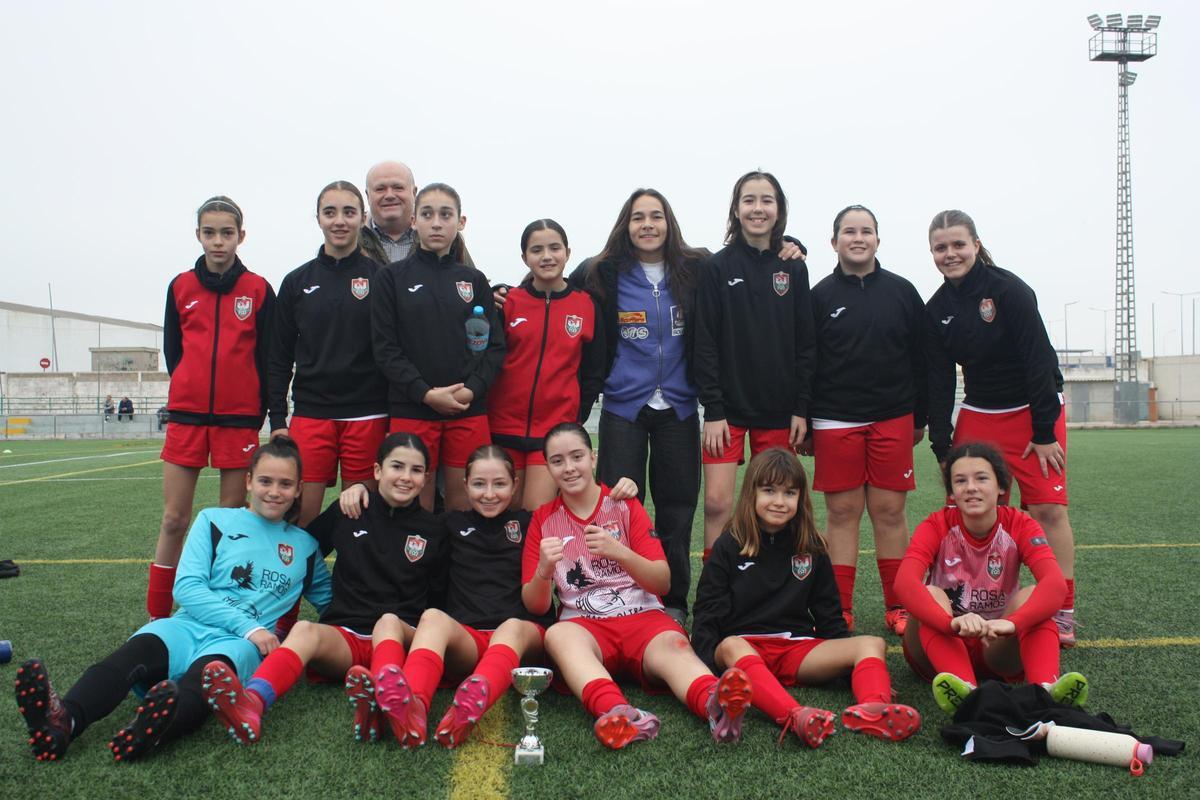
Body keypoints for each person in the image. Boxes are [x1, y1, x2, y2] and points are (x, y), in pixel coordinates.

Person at [14, 437, 331, 762]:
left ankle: (149, 733)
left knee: (203, 683)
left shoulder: (305, 548)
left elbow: (334, 608)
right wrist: (250, 627)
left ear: (299, 489)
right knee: (130, 656)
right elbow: (188, 588)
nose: (274, 491)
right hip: (188, 628)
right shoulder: (215, 520)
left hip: (239, 647)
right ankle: (63, 720)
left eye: (285, 484)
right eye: (265, 481)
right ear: (249, 481)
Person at [522, 423, 753, 750]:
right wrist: (544, 570)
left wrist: (619, 552)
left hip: (642, 618)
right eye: (557, 461)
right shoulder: (543, 519)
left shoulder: (623, 503)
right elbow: (535, 605)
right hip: (586, 626)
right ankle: (618, 712)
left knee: (674, 646)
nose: (569, 467)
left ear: (593, 457)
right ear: (548, 468)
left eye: (577, 456)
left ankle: (716, 706)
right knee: (559, 635)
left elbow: (662, 580)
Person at [202, 433, 444, 745]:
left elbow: (439, 595)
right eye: (397, 466)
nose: (406, 477)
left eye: (415, 470)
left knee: (388, 622)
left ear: (425, 478)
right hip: (346, 639)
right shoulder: (349, 511)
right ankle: (252, 702)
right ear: (377, 470)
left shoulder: (435, 529)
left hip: (402, 638)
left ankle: (386, 706)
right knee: (305, 629)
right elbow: (296, 553)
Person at [692, 448, 920, 748]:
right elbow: (708, 611)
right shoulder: (729, 545)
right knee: (732, 644)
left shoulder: (811, 547)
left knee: (870, 643)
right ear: (751, 494)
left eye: (789, 493)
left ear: (800, 499)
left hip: (795, 649)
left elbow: (828, 612)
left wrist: (843, 661)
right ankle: (795, 715)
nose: (779, 501)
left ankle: (874, 709)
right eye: (769, 491)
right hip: (743, 650)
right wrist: (709, 667)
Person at [924, 210, 1080, 647]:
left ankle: (1063, 612)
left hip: (1033, 413)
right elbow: (937, 378)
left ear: (975, 244)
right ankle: (972, 601)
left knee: (1048, 511)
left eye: (958, 244)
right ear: (932, 253)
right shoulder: (936, 309)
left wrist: (1045, 430)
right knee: (971, 513)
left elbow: (1039, 360)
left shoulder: (1008, 289)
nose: (950, 254)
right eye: (941, 247)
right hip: (979, 414)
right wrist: (942, 440)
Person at [147, 197, 275, 621]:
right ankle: (157, 616)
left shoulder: (257, 289)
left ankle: (221, 613)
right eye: (209, 232)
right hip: (187, 417)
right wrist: (189, 386)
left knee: (233, 527)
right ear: (198, 234)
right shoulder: (180, 286)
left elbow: (268, 358)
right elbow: (174, 351)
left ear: (241, 235)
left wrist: (263, 411)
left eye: (227, 232)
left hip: (238, 422)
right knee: (173, 519)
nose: (218, 241)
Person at [893, 441, 1089, 715]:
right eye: (960, 481)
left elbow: (1055, 587)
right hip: (939, 642)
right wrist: (951, 623)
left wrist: (1011, 624)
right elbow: (904, 584)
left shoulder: (1020, 524)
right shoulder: (936, 524)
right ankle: (967, 694)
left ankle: (1045, 691)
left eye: (981, 478)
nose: (970, 487)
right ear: (952, 493)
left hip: (997, 646)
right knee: (930, 594)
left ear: (1001, 487)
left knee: (1034, 595)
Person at [806, 205, 927, 636]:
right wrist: (803, 415)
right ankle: (839, 609)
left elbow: (923, 358)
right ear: (834, 240)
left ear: (878, 239)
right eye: (849, 231)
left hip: (893, 415)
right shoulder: (818, 295)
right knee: (841, 511)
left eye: (867, 231)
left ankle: (900, 605)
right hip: (835, 419)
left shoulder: (902, 292)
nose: (858, 238)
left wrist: (921, 416)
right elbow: (806, 361)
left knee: (890, 510)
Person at [693, 171, 815, 559]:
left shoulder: (794, 266)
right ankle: (716, 591)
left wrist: (801, 408)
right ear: (736, 208)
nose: (757, 208)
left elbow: (805, 342)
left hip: (779, 412)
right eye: (749, 200)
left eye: (766, 200)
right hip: (725, 413)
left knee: (776, 511)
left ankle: (772, 593)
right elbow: (705, 341)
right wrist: (713, 409)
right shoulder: (717, 266)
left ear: (779, 209)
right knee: (716, 503)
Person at [371, 183, 505, 512]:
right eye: (428, 214)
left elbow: (495, 348)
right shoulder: (391, 277)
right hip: (413, 408)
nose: (436, 223)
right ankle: (417, 566)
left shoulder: (474, 280)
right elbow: (385, 348)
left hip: (467, 409)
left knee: (466, 508)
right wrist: (425, 393)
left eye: (446, 215)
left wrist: (471, 392)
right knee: (414, 505)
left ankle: (458, 566)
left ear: (461, 222)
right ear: (414, 220)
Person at [267, 180, 388, 527]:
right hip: (312, 413)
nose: (339, 221)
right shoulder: (296, 281)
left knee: (361, 520)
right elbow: (278, 356)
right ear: (317, 218)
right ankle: (298, 582)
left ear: (363, 218)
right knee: (299, 517)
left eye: (349, 212)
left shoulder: (381, 279)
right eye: (330, 212)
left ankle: (354, 584)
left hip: (368, 414)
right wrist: (278, 419)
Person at [488, 220, 605, 510]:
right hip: (503, 427)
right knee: (504, 517)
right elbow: (488, 359)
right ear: (524, 257)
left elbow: (594, 369)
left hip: (553, 434)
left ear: (568, 252)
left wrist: (576, 411)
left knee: (534, 516)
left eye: (555, 248)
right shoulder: (507, 302)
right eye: (536, 250)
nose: (547, 256)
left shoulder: (586, 305)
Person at [362, 160, 418, 263]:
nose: (389, 195)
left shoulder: (440, 239)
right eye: (380, 189)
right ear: (368, 196)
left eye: (398, 188)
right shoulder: (352, 243)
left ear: (414, 193)